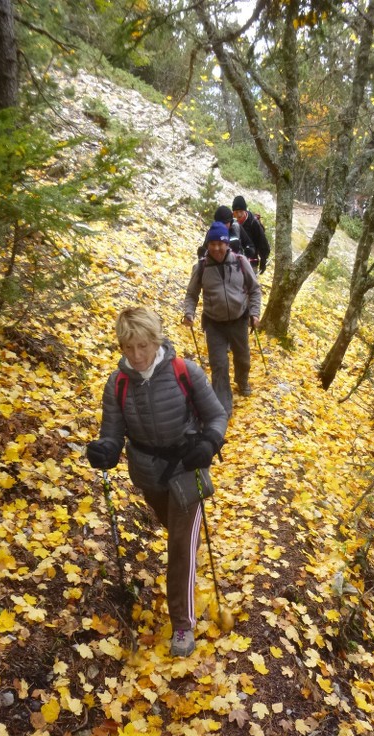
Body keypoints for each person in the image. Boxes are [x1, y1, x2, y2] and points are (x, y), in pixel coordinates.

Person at [86, 307, 228, 658]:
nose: (136, 356)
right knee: (177, 538)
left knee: (179, 549)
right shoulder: (117, 383)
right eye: (128, 348)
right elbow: (112, 435)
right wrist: (104, 450)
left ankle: (182, 623)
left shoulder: (184, 371)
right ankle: (187, 568)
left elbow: (216, 414)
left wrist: (209, 443)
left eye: (143, 346)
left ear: (157, 340)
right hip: (149, 476)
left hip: (186, 471)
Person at [183, 221, 261, 417]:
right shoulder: (201, 267)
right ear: (208, 244)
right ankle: (223, 407)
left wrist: (254, 313)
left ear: (227, 244)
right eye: (213, 244)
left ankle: (242, 381)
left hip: (239, 319)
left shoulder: (241, 262)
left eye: (220, 243)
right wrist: (189, 313)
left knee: (242, 359)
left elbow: (254, 290)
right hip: (214, 323)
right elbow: (192, 294)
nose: (217, 248)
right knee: (219, 365)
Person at [232, 195, 271, 274]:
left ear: (245, 210)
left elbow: (262, 242)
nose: (239, 215)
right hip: (234, 263)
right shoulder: (231, 222)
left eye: (241, 211)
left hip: (251, 262)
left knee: (250, 286)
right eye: (236, 212)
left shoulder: (253, 223)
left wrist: (263, 260)